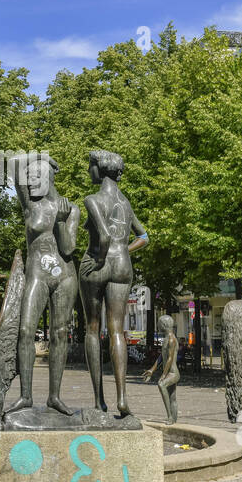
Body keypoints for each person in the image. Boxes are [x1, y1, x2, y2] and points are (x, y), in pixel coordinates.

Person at [5, 152, 79, 416]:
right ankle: (25, 396)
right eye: (30, 176)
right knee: (26, 330)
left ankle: (55, 397)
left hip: (65, 275)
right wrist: (40, 156)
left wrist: (61, 220)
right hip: (37, 271)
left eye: (38, 175)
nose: (32, 180)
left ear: (49, 177)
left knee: (60, 333)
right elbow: (13, 165)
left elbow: (69, 249)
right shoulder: (30, 206)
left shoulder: (70, 208)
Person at [79, 150, 149, 415]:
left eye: (90, 167)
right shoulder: (126, 204)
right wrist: (124, 252)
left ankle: (99, 401)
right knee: (117, 331)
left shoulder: (92, 200)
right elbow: (144, 237)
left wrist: (99, 259)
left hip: (98, 263)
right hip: (122, 266)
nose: (89, 172)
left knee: (92, 330)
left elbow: (105, 236)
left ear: (100, 170)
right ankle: (122, 399)